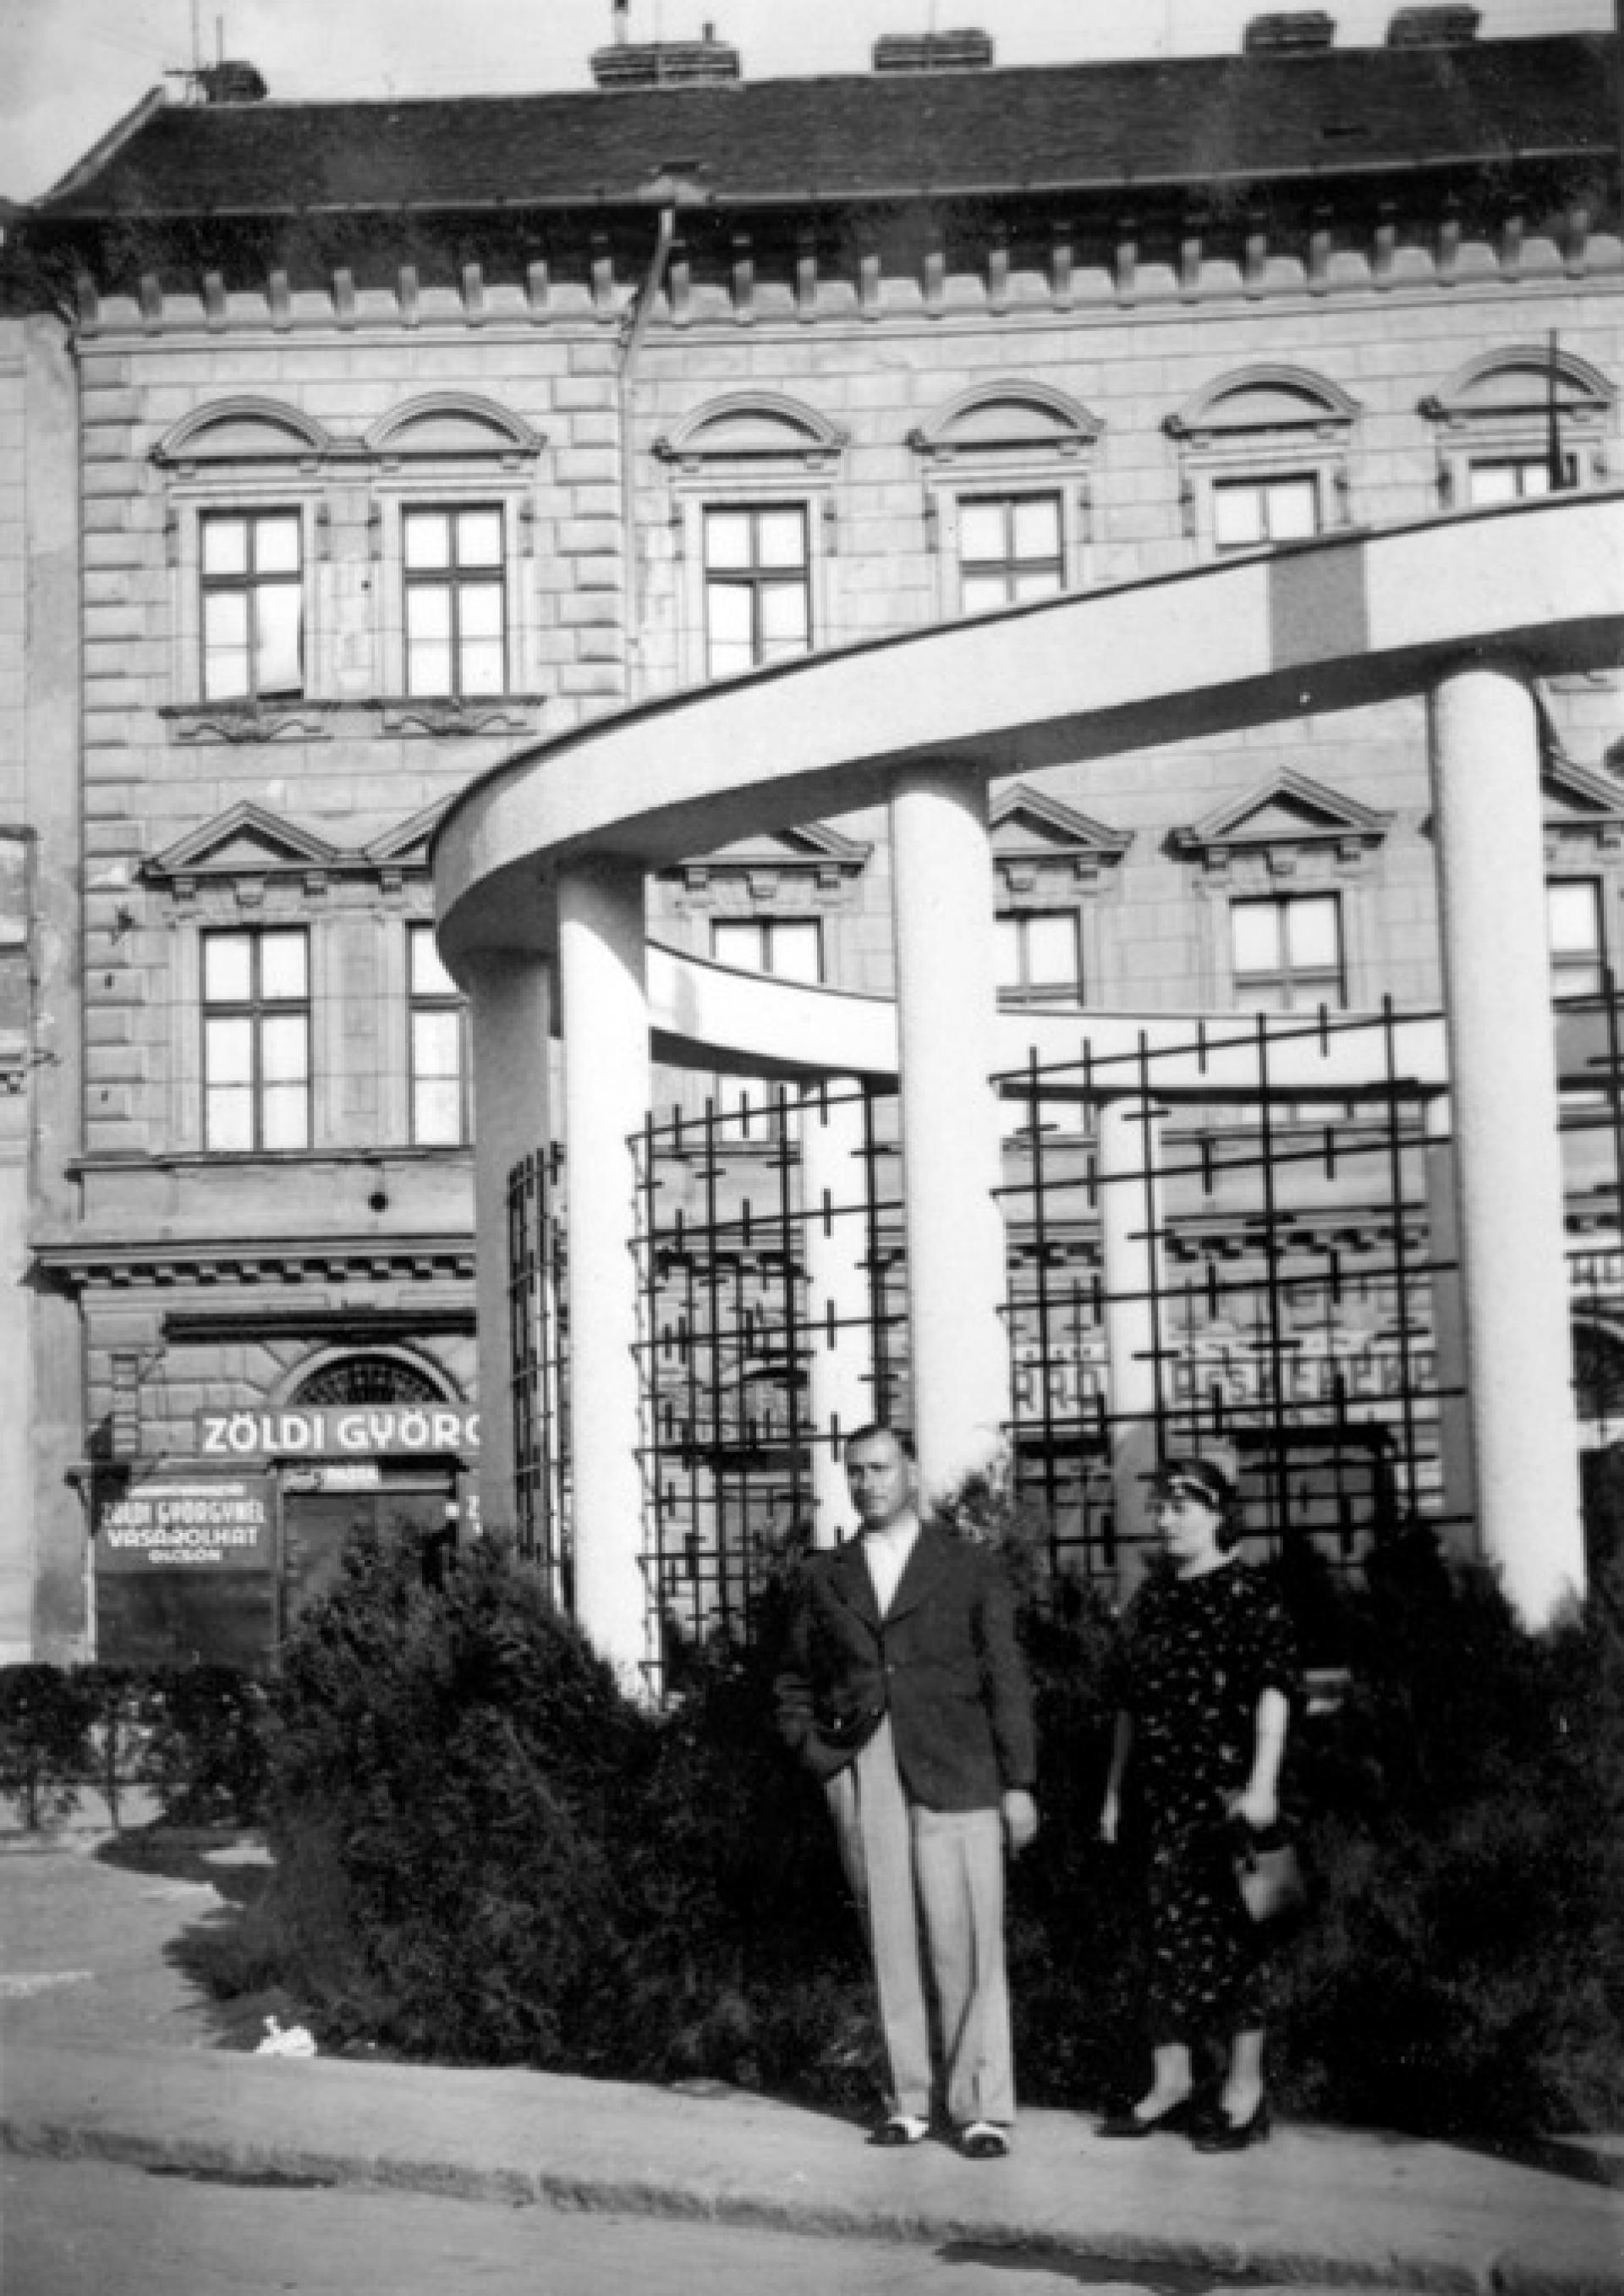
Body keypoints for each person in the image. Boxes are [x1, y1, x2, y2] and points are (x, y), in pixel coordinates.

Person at [774, 1424, 1039, 2158]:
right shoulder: (826, 1575)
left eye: (882, 1468)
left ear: (912, 1472)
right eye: (855, 1471)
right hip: (867, 1763)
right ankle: (908, 2100)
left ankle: (981, 2106)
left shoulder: (967, 1564)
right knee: (887, 1936)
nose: (868, 1483)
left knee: (968, 1938)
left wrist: (1019, 1782)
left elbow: (1005, 1677)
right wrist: (820, 1756)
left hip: (960, 1764)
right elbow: (793, 1678)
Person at [1097, 1453, 1301, 2153]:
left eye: (1181, 1507)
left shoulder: (1248, 1594)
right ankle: (1172, 2081)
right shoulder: (1152, 1599)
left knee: (1238, 1942)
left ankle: (1245, 2093)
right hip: (1163, 1800)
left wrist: (1264, 1785)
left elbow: (1274, 1689)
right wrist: (1115, 1793)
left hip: (1229, 1800)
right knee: (1164, 1941)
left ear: (1218, 1513)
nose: (1165, 1520)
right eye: (1159, 1507)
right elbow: (1128, 1701)